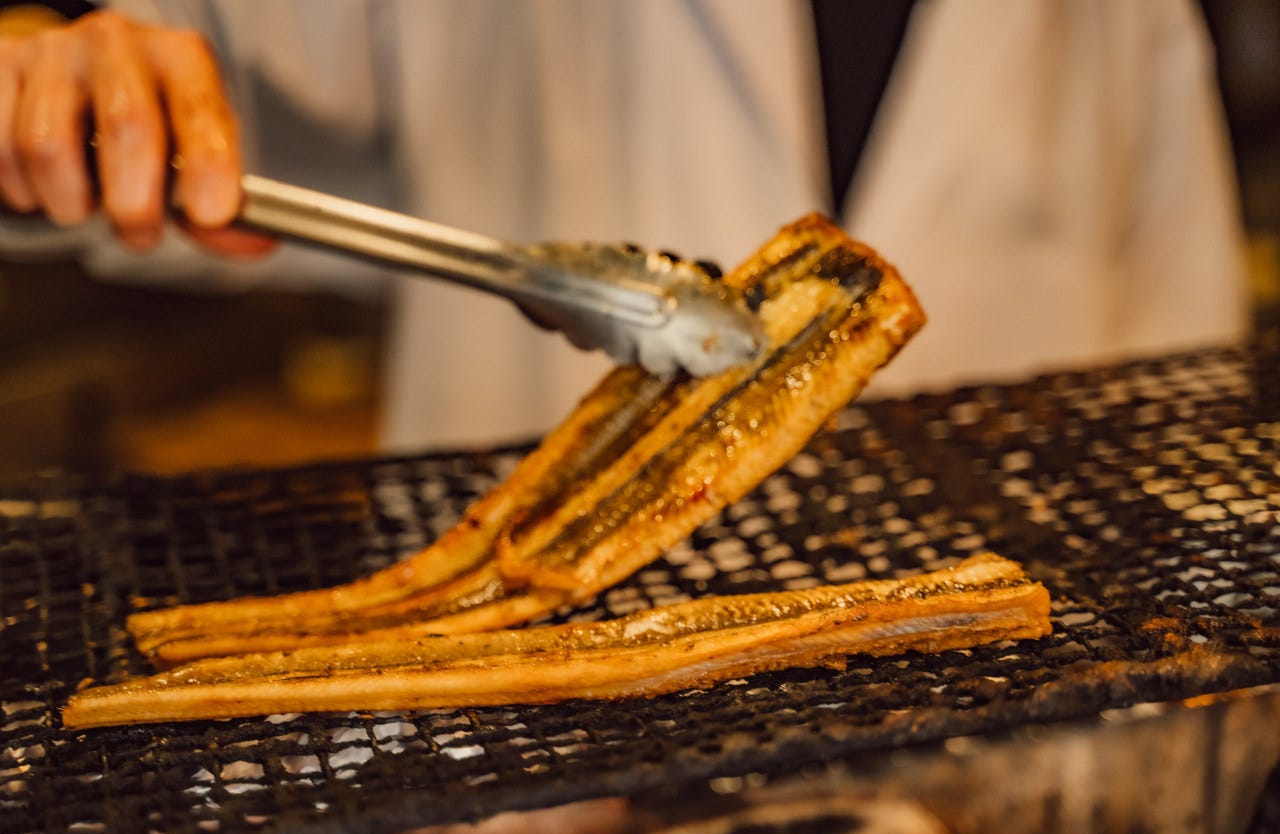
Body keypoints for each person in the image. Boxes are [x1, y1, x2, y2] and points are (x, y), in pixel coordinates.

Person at [0, 0, 1250, 452]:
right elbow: (193, 108)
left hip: (1006, 773)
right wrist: (54, 83)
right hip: (529, 773)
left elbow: (1184, 412)